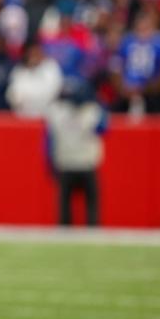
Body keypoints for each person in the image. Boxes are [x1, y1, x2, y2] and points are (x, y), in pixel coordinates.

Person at [46, 83, 106, 226]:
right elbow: (104, 127)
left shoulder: (56, 112)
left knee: (65, 206)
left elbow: (48, 142)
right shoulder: (92, 112)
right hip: (86, 165)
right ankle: (92, 232)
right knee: (91, 205)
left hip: (67, 165)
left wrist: (50, 165)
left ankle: (65, 233)